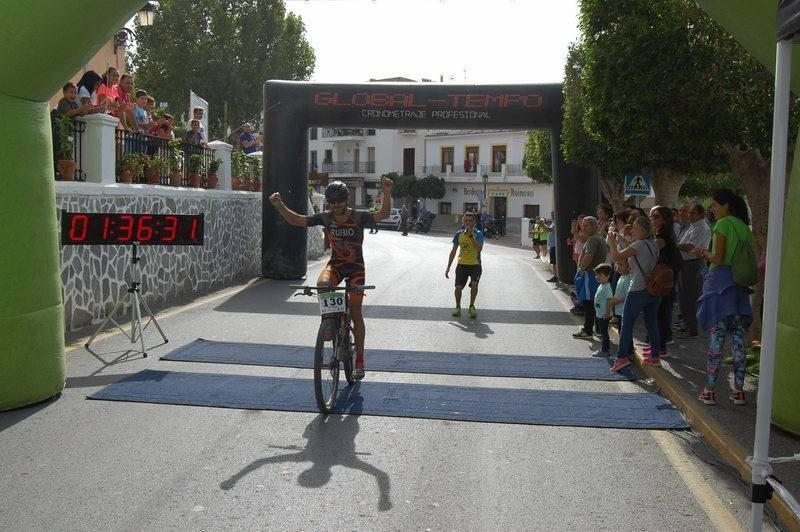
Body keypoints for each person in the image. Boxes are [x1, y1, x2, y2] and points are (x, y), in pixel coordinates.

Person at [269, 177, 394, 381]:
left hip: (356, 269)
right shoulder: (326, 218)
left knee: (355, 311)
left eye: (339, 202)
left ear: (347, 200)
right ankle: (328, 320)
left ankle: (360, 360)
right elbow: (298, 220)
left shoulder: (359, 217)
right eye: (332, 203)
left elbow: (383, 214)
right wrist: (280, 206)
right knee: (322, 284)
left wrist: (387, 192)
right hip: (335, 265)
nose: (336, 206)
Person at [693, 189, 754, 406]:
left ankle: (709, 390)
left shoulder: (723, 224)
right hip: (738, 288)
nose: (711, 209)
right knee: (738, 340)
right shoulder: (745, 228)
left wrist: (703, 253)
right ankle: (739, 391)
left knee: (716, 340)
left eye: (714, 205)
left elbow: (717, 258)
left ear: (726, 205)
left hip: (719, 286)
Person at [607, 216, 662, 373]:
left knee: (626, 324)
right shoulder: (654, 244)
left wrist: (612, 243)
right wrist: (624, 240)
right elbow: (636, 249)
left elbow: (617, 257)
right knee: (651, 322)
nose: (633, 231)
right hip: (653, 289)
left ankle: (622, 357)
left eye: (636, 229)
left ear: (643, 230)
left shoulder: (638, 245)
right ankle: (655, 356)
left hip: (637, 289)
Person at [644, 205, 682, 359]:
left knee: (661, 313)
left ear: (665, 220)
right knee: (658, 312)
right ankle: (657, 345)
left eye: (656, 216)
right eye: (651, 216)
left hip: (663, 279)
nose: (652, 219)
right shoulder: (660, 234)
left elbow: (649, 251)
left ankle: (661, 347)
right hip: (662, 278)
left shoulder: (663, 237)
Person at [675, 203, 712, 338]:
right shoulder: (692, 226)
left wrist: (679, 245)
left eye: (693, 213)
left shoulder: (702, 228)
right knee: (683, 297)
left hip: (693, 264)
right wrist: (681, 245)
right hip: (684, 263)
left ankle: (692, 329)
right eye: (689, 213)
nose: (689, 215)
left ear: (701, 214)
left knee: (691, 297)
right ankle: (686, 324)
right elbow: (683, 244)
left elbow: (690, 247)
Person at [572, 216, 608, 339]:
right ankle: (597, 328)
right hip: (595, 274)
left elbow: (589, 255)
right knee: (594, 302)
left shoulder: (593, 239)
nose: (583, 228)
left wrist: (581, 269)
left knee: (589, 303)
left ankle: (588, 330)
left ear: (594, 226)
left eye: (586, 225)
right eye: (582, 225)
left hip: (590, 274)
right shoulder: (598, 238)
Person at [445, 212, 484, 319]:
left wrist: (471, 236)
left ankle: (471, 306)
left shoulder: (478, 233)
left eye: (470, 221)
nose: (468, 223)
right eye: (466, 220)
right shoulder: (459, 234)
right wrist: (448, 267)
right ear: (463, 221)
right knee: (458, 288)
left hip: (475, 264)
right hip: (462, 264)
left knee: (474, 284)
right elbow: (453, 251)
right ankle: (458, 307)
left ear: (474, 222)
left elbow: (479, 249)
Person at [592, 263, 614, 357]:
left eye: (600, 275)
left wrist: (607, 313)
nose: (597, 277)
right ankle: (604, 349)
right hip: (600, 314)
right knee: (602, 332)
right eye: (597, 274)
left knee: (604, 333)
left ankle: (605, 350)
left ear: (608, 276)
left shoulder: (607, 288)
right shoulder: (602, 285)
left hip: (604, 315)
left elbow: (609, 301)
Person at [545, 213, 558, 282]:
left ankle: (556, 276)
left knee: (554, 262)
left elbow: (548, 229)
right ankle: (555, 276)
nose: (552, 215)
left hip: (554, 245)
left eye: (553, 214)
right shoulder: (553, 222)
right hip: (552, 245)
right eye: (551, 214)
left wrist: (541, 224)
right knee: (553, 262)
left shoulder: (556, 223)